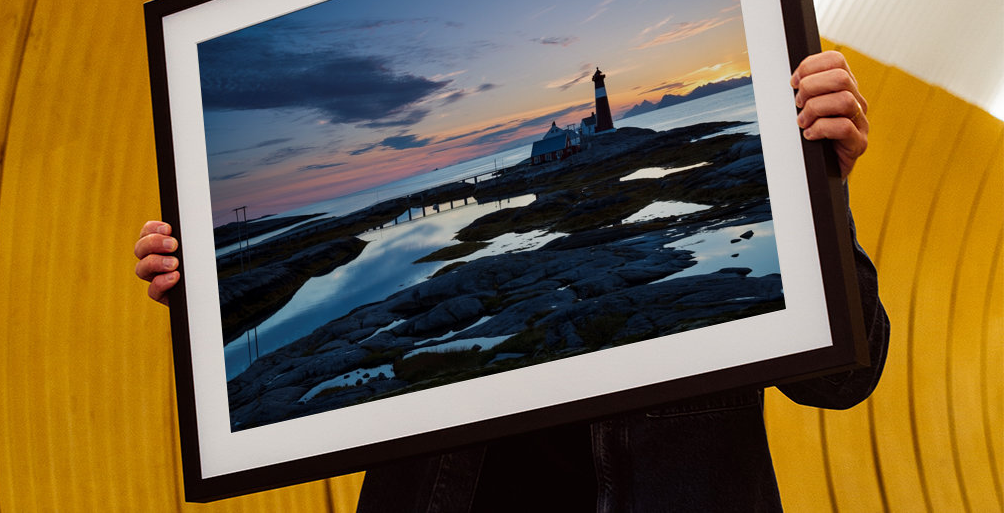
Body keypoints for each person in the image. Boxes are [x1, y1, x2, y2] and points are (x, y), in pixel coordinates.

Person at [135, 50, 888, 512]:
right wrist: (211, 283)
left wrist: (819, 186)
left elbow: (844, 379)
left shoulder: (765, 175)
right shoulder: (560, 198)